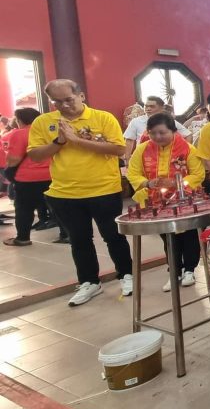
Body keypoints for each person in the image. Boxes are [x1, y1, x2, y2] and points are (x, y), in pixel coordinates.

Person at [27, 79, 134, 306]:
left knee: (113, 236)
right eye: (57, 102)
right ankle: (89, 282)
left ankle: (127, 274)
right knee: (79, 240)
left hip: (104, 189)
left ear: (81, 96)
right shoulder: (44, 122)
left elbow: (118, 149)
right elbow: (36, 156)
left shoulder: (102, 118)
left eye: (69, 99)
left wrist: (76, 140)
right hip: (65, 193)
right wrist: (60, 141)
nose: (64, 106)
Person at [126, 113, 205, 292]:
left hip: (184, 200)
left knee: (189, 236)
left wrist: (178, 184)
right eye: (153, 133)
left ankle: (189, 270)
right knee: (168, 237)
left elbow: (197, 174)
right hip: (156, 202)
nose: (157, 137)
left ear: (174, 131)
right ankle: (174, 270)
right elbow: (133, 172)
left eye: (162, 133)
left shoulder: (187, 149)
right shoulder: (142, 149)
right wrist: (147, 183)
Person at [3, 108, 64, 246]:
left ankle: (23, 238)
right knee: (59, 207)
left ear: (20, 120)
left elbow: (13, 159)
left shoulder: (20, 134)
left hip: (29, 177)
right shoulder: (49, 130)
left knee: (24, 208)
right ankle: (66, 235)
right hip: (54, 173)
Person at [123, 96, 190, 161]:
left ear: (161, 108)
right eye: (146, 106)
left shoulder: (169, 121)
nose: (148, 109)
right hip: (143, 158)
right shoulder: (136, 121)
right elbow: (129, 140)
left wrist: (182, 153)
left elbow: (188, 135)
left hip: (166, 158)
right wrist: (127, 159)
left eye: (152, 106)